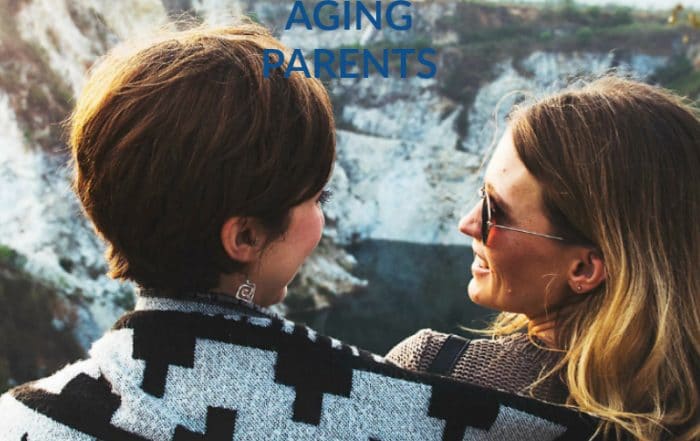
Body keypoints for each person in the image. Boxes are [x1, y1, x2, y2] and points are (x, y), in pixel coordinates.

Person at [0, 23, 599, 440]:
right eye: (317, 196)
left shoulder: (22, 421)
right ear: (244, 239)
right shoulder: (420, 415)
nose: (324, 218)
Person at [386, 76, 700, 441]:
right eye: (481, 194)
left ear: (584, 268)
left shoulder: (433, 375)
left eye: (494, 210)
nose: (467, 223)